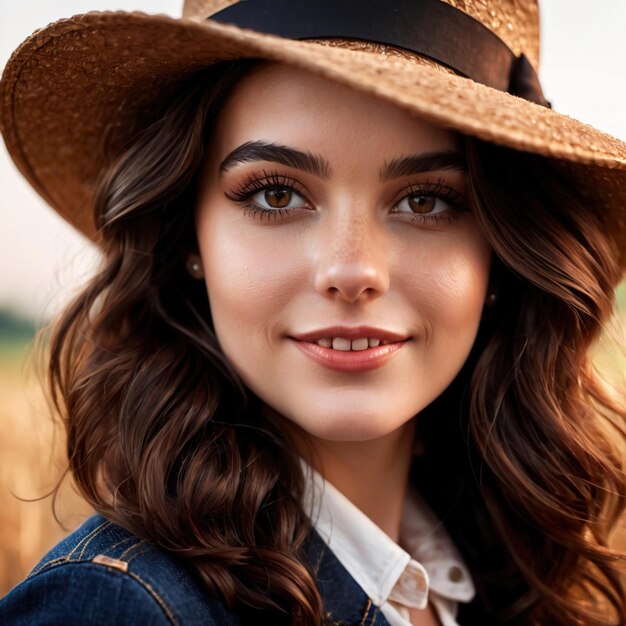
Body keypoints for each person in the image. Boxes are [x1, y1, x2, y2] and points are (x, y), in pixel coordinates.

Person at [1, 1, 626, 624]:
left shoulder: (500, 580)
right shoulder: (115, 606)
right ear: (189, 239)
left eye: (426, 200)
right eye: (277, 194)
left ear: (502, 253)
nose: (352, 272)